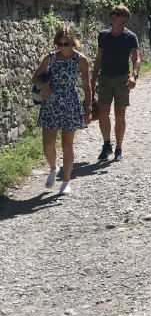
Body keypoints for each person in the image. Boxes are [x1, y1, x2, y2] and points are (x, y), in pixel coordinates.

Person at [32, 25, 92, 195]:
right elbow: (34, 78)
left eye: (66, 43)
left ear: (73, 42)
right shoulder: (50, 58)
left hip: (71, 104)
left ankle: (66, 181)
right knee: (48, 144)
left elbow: (86, 85)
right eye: (60, 43)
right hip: (50, 103)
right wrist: (44, 85)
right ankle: (53, 168)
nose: (63, 46)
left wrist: (87, 107)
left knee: (67, 145)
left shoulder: (81, 60)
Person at [90, 3, 141, 162]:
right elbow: (99, 57)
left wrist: (134, 76)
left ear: (125, 18)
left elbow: (136, 59)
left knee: (120, 115)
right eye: (112, 13)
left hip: (122, 79)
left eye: (117, 14)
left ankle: (119, 148)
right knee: (103, 113)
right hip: (104, 78)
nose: (113, 15)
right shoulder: (103, 35)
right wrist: (93, 78)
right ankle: (107, 145)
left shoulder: (130, 37)